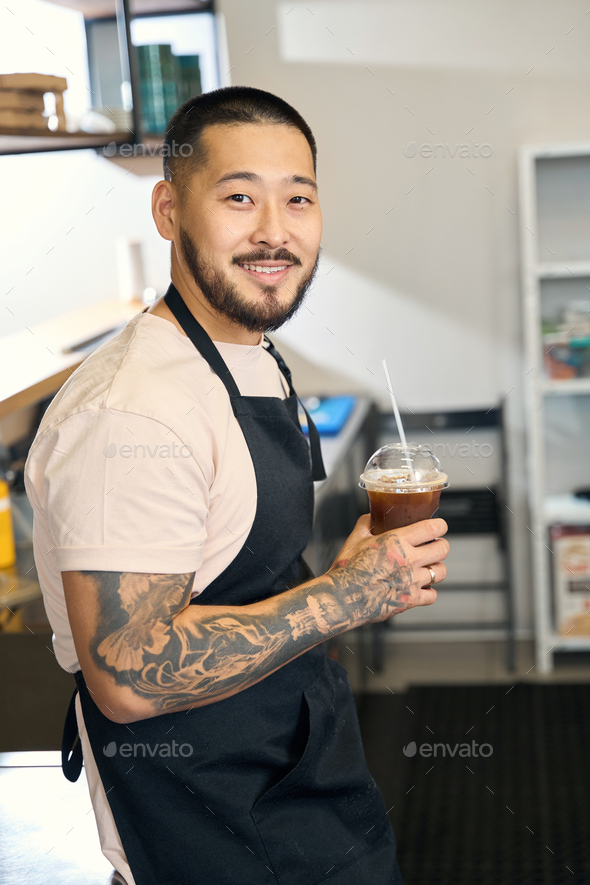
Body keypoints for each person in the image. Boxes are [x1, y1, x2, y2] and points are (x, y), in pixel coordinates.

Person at [24, 86, 449, 885]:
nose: (274, 231)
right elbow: (128, 671)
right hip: (208, 828)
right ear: (167, 209)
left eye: (299, 198)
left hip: (295, 784)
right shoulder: (133, 412)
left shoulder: (253, 354)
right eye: (239, 196)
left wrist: (355, 580)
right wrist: (345, 596)